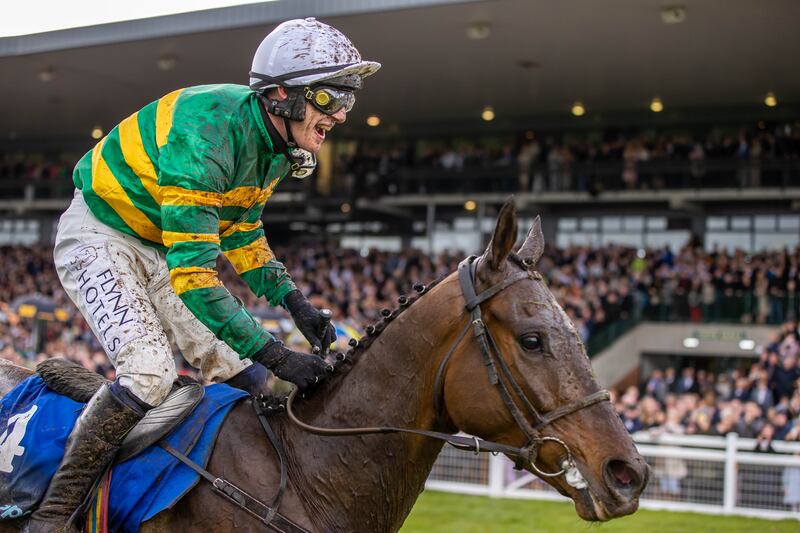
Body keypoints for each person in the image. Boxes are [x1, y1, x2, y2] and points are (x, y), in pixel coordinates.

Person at [27, 18, 380, 532]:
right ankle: (54, 513)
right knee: (150, 372)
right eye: (329, 98)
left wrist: (294, 302)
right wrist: (279, 353)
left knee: (244, 372)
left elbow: (242, 233)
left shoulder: (278, 148)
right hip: (102, 235)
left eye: (348, 98)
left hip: (158, 244)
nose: (342, 113)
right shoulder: (208, 134)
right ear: (281, 94)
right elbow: (194, 278)